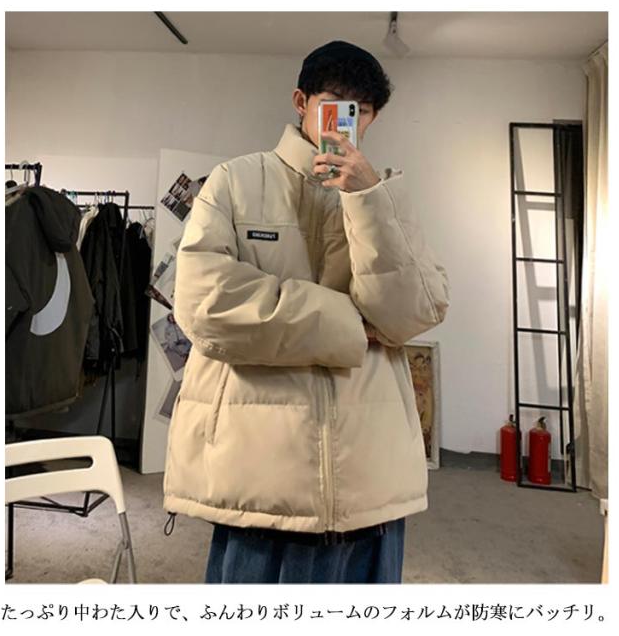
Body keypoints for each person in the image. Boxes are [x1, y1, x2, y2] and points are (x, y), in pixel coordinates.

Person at [163, 39, 450, 584]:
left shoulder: (385, 196)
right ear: (301, 101)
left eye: (362, 110)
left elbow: (415, 312)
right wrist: (346, 324)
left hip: (370, 475)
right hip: (259, 474)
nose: (349, 120)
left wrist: (369, 200)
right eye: (335, 103)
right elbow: (202, 302)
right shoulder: (235, 181)